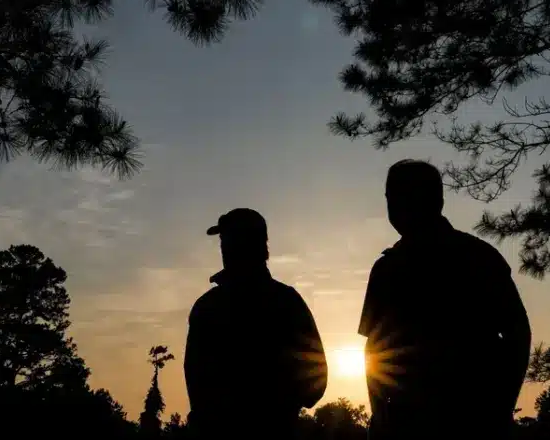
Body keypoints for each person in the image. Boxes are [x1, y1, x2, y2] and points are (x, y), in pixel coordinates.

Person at [359, 160, 531, 439]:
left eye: (401, 196)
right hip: (412, 423)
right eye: (391, 197)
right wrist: (380, 416)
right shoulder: (389, 267)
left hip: (470, 419)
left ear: (434, 200)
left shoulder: (476, 258)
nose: (394, 206)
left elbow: (517, 333)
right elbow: (374, 350)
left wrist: (501, 408)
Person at [184, 208, 328, 439]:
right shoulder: (287, 302)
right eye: (224, 241)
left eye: (229, 240)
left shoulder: (208, 307)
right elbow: (315, 384)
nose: (224, 247)